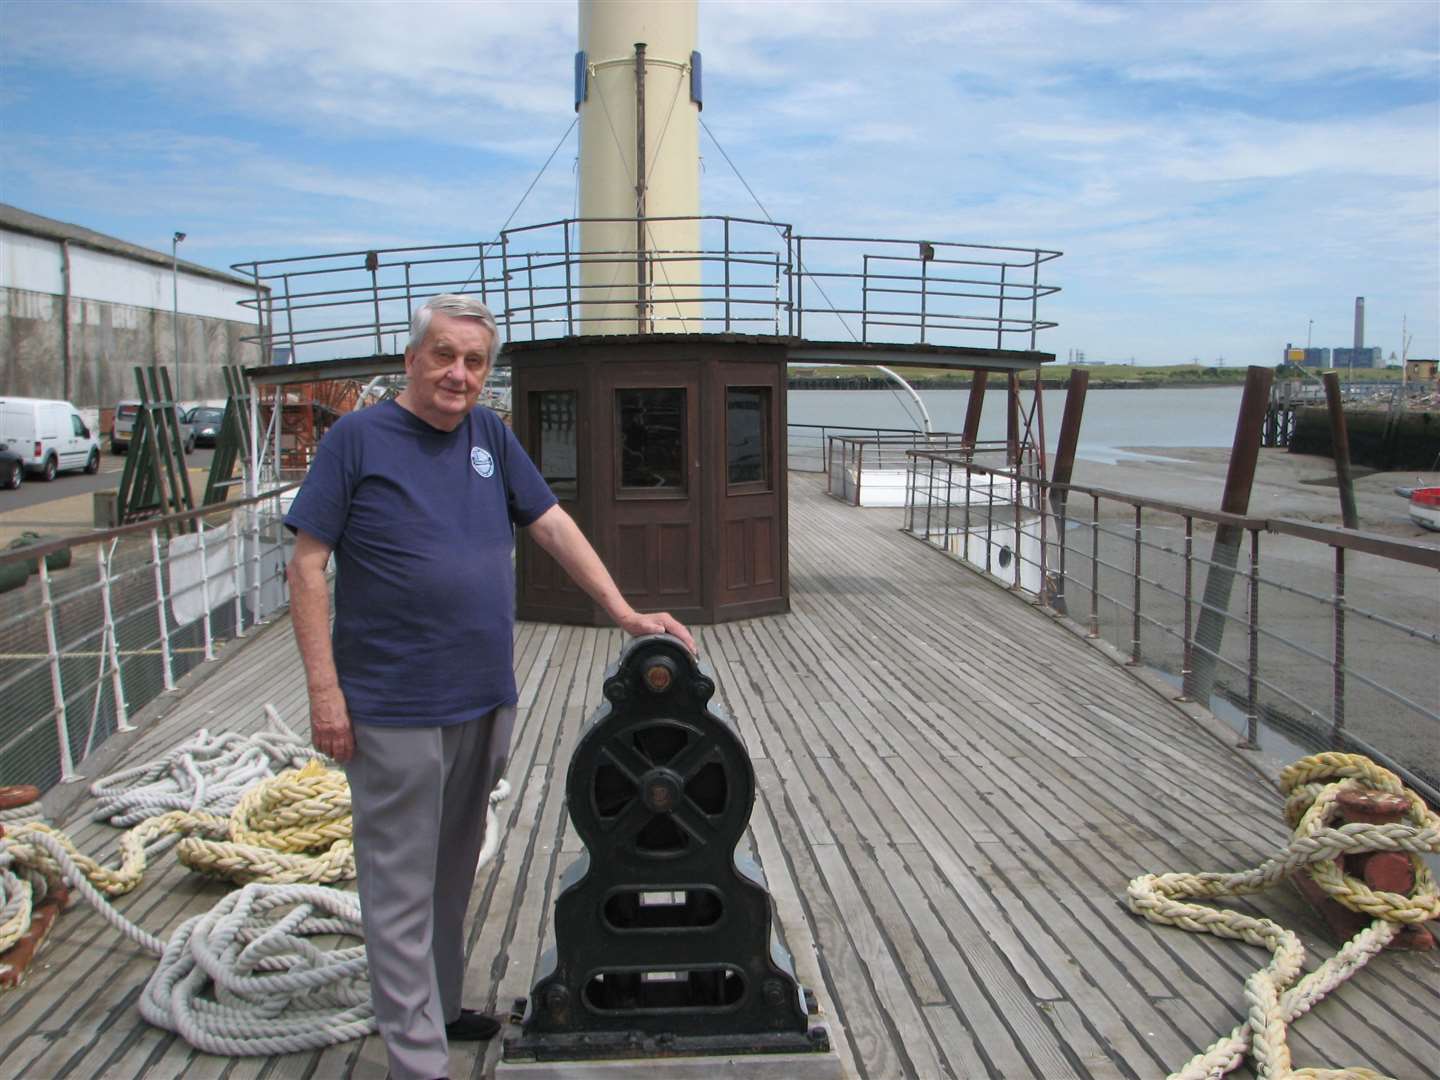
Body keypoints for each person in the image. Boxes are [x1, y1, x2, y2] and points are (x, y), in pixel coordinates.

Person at [285, 293, 694, 1080]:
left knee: (451, 868)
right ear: (412, 359)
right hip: (393, 705)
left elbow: (550, 524)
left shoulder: (489, 436)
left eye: (475, 361)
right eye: (444, 355)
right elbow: (307, 565)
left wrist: (620, 610)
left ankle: (438, 1007)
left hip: (482, 695)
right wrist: (325, 695)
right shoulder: (357, 440)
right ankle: (418, 1062)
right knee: (399, 883)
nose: (459, 374)